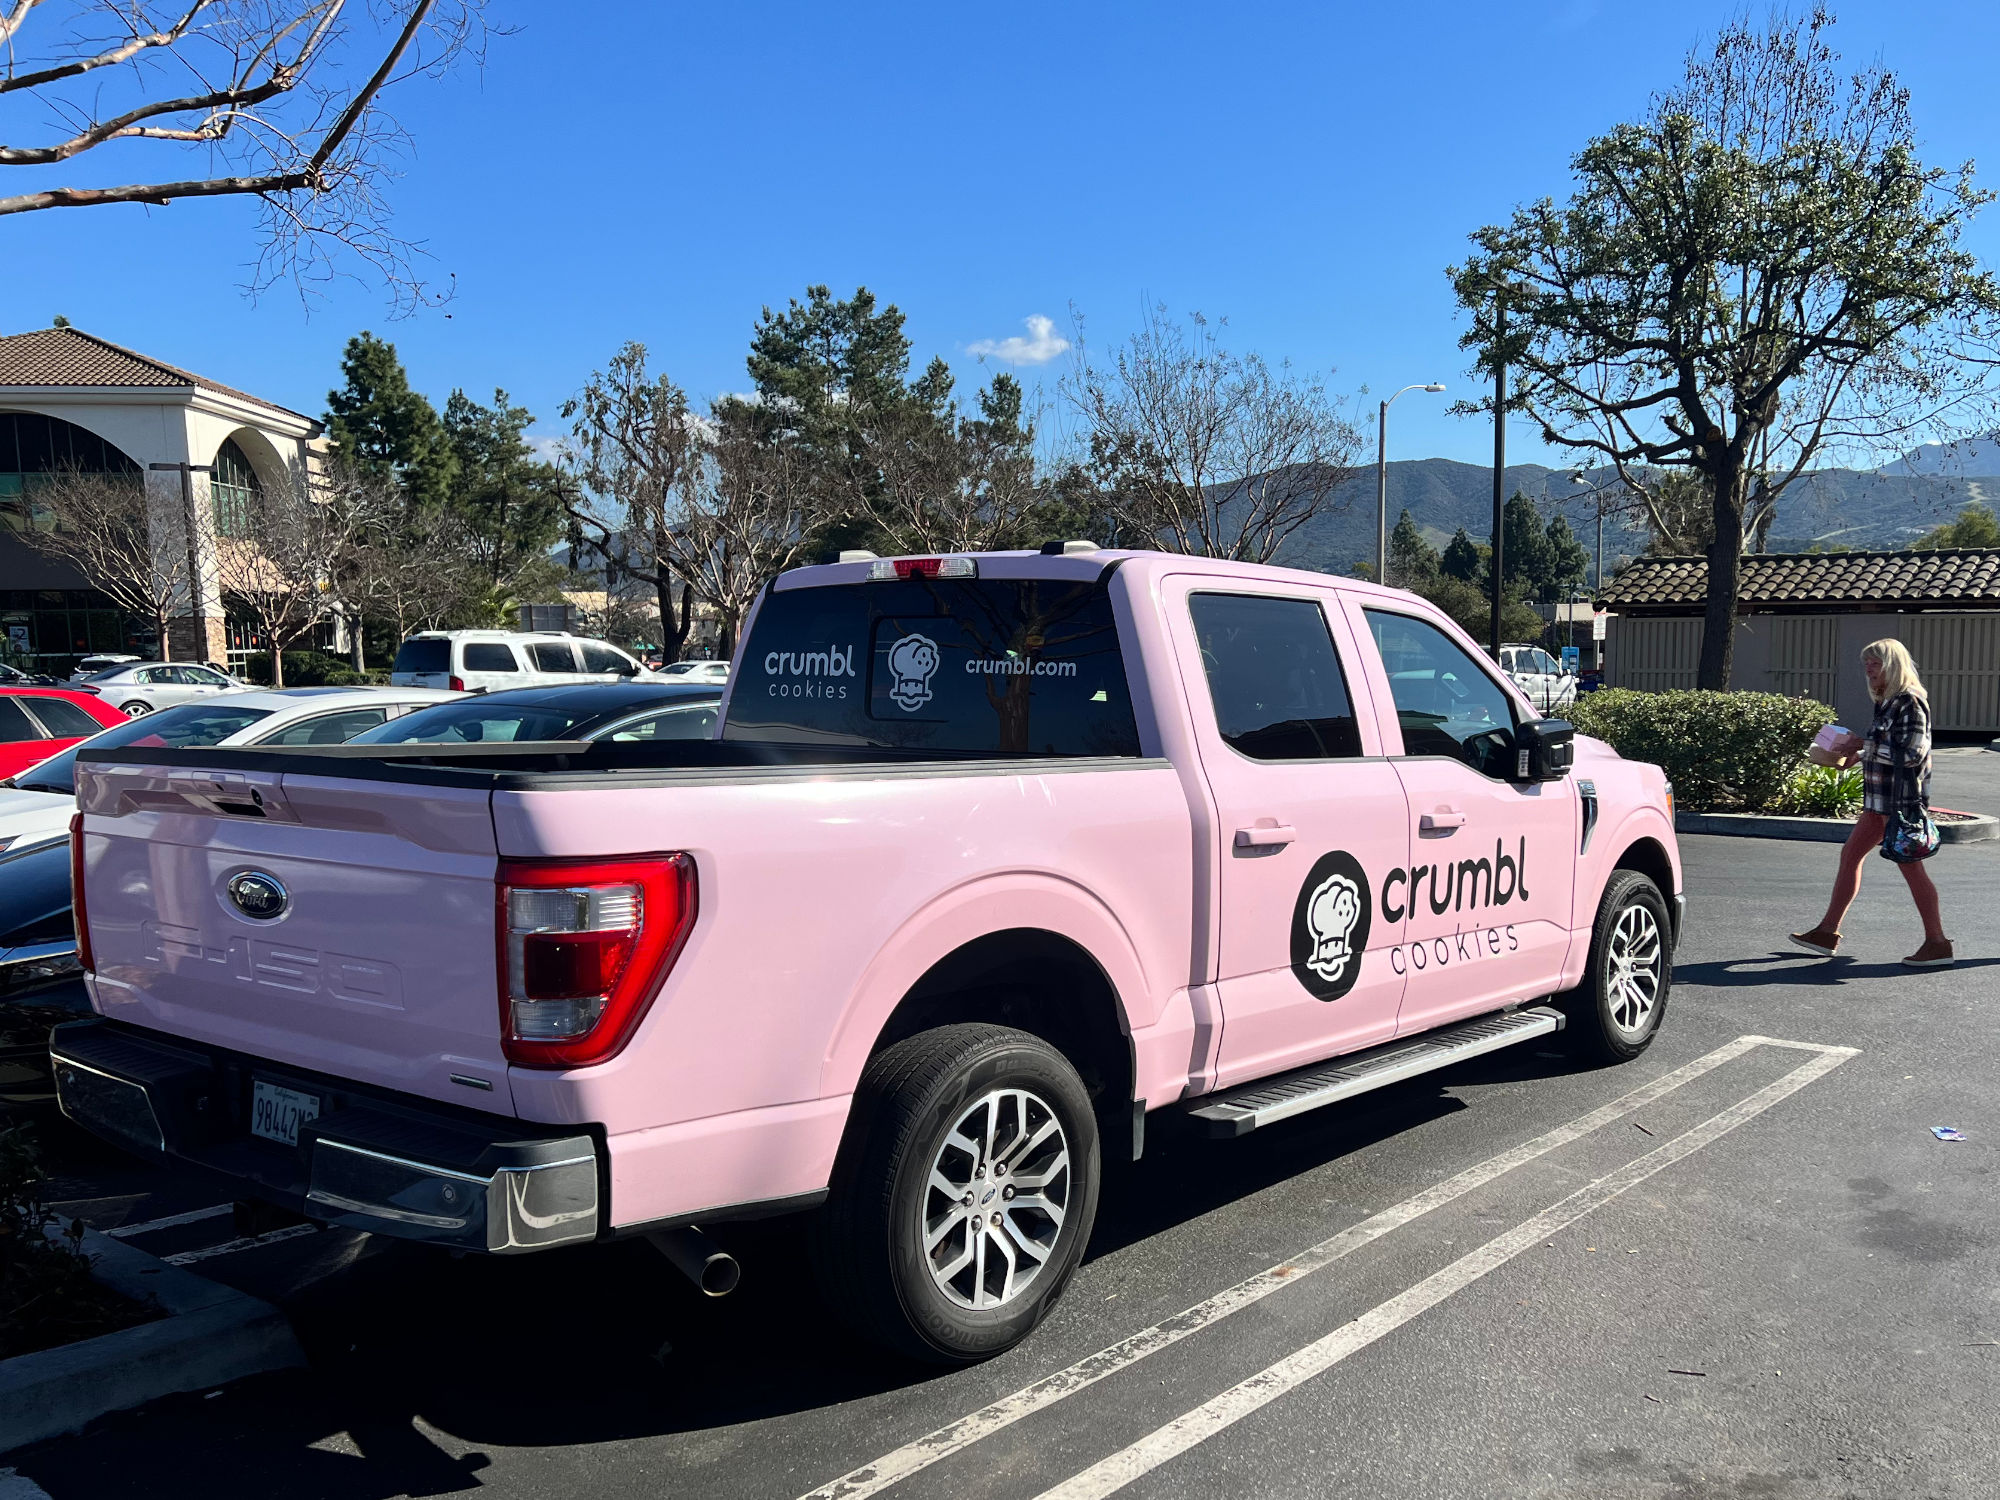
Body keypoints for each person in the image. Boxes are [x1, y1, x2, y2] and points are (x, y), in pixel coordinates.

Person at [1791, 639, 1952, 967]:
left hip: (1899, 804)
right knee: (1850, 856)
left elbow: (1913, 753)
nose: (1868, 669)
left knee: (1912, 870)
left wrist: (1863, 745)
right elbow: (1888, 747)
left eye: (1875, 663)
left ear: (1892, 665)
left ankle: (1937, 943)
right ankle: (1827, 932)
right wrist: (1857, 753)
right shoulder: (1888, 702)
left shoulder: (1910, 702)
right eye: (1866, 663)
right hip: (1879, 802)